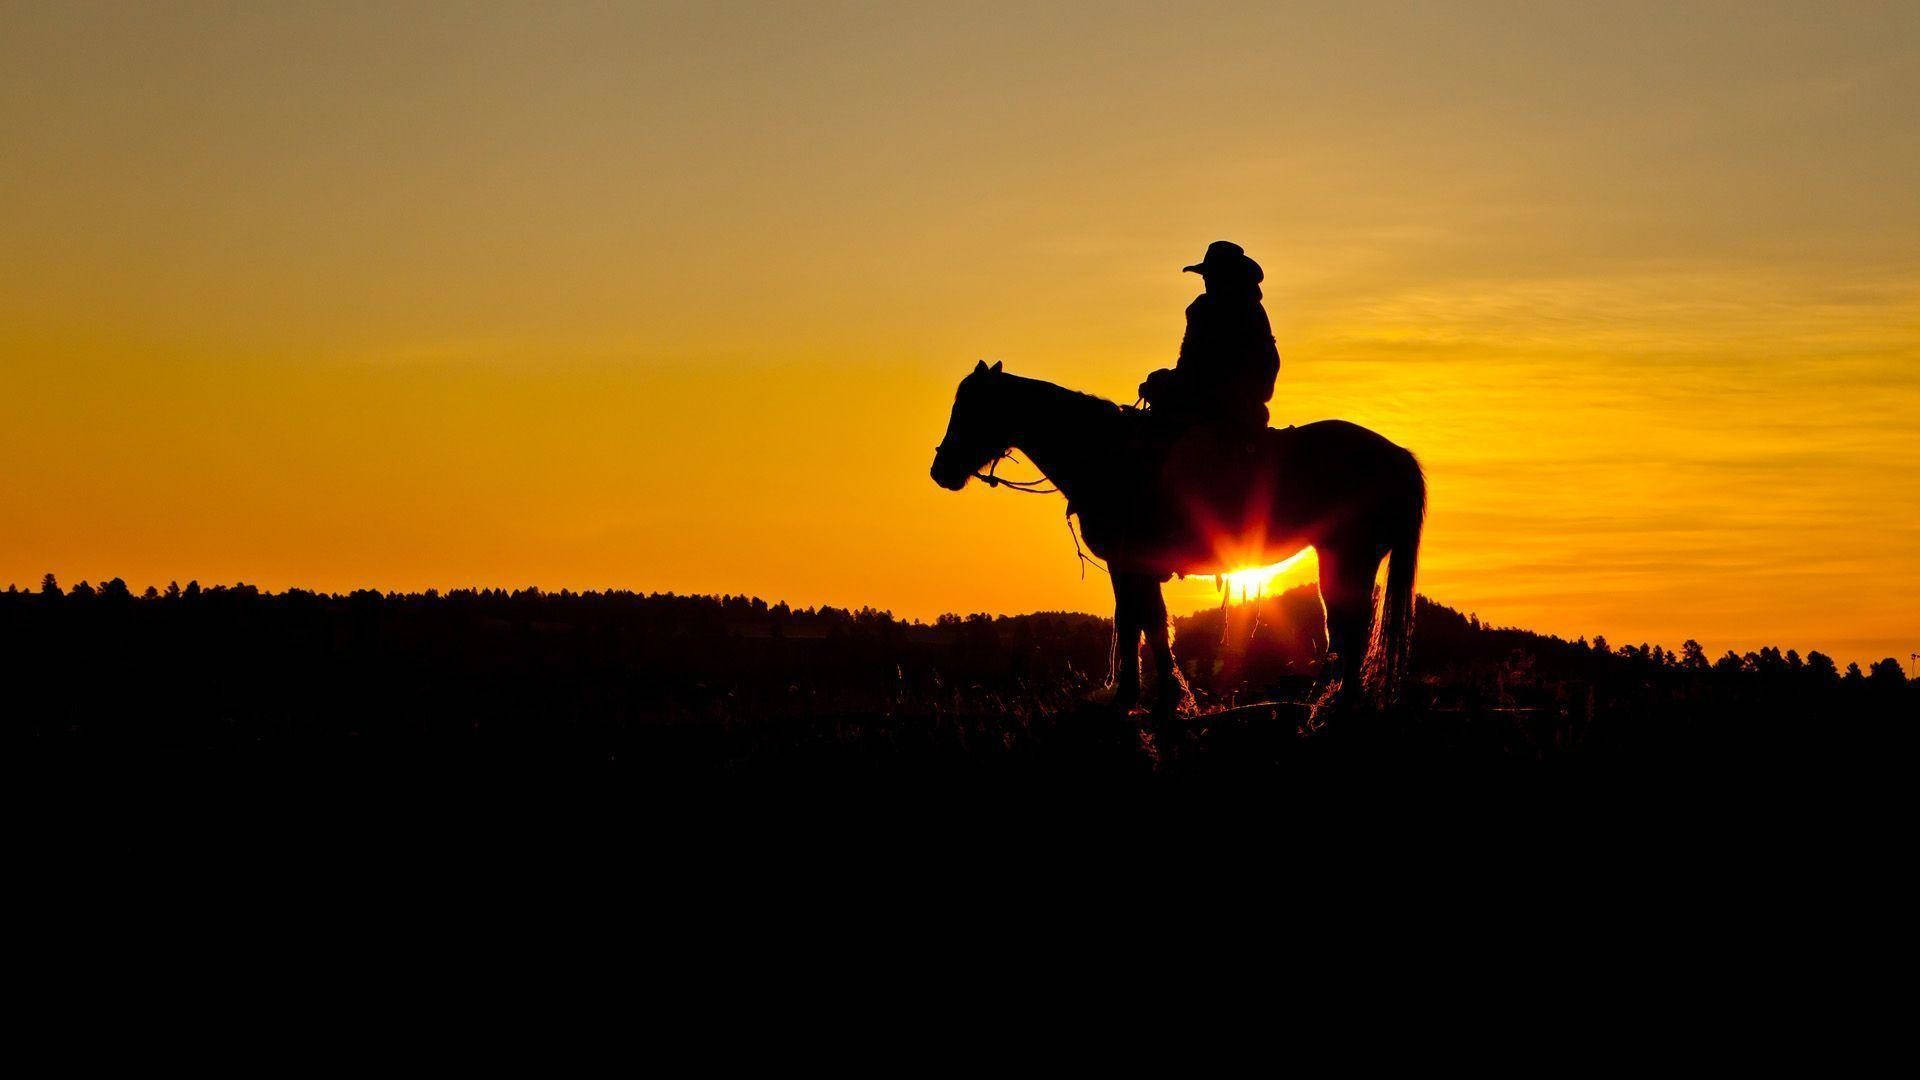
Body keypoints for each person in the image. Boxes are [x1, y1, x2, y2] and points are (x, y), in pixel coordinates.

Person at [1138, 240, 1280, 439]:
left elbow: (1195, 372)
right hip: (1251, 415)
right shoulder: (1254, 311)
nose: (1205, 280)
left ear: (1222, 277)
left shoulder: (1206, 309)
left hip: (1210, 415)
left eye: (1209, 275)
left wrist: (1158, 382)